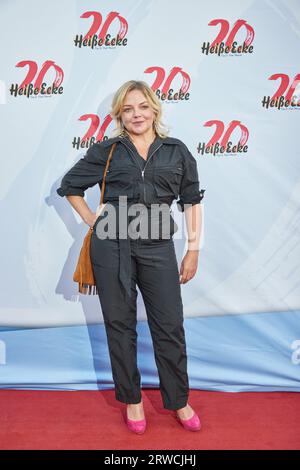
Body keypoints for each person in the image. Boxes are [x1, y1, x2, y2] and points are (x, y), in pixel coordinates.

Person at [57, 80, 205, 434]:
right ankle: (133, 400)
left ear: (154, 109)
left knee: (169, 325)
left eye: (142, 106)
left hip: (157, 246)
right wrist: (94, 220)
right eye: (128, 109)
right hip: (112, 246)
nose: (136, 114)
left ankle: (179, 401)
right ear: (119, 115)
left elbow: (191, 201)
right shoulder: (108, 150)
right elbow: (70, 186)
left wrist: (193, 249)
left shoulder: (176, 151)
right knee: (120, 325)